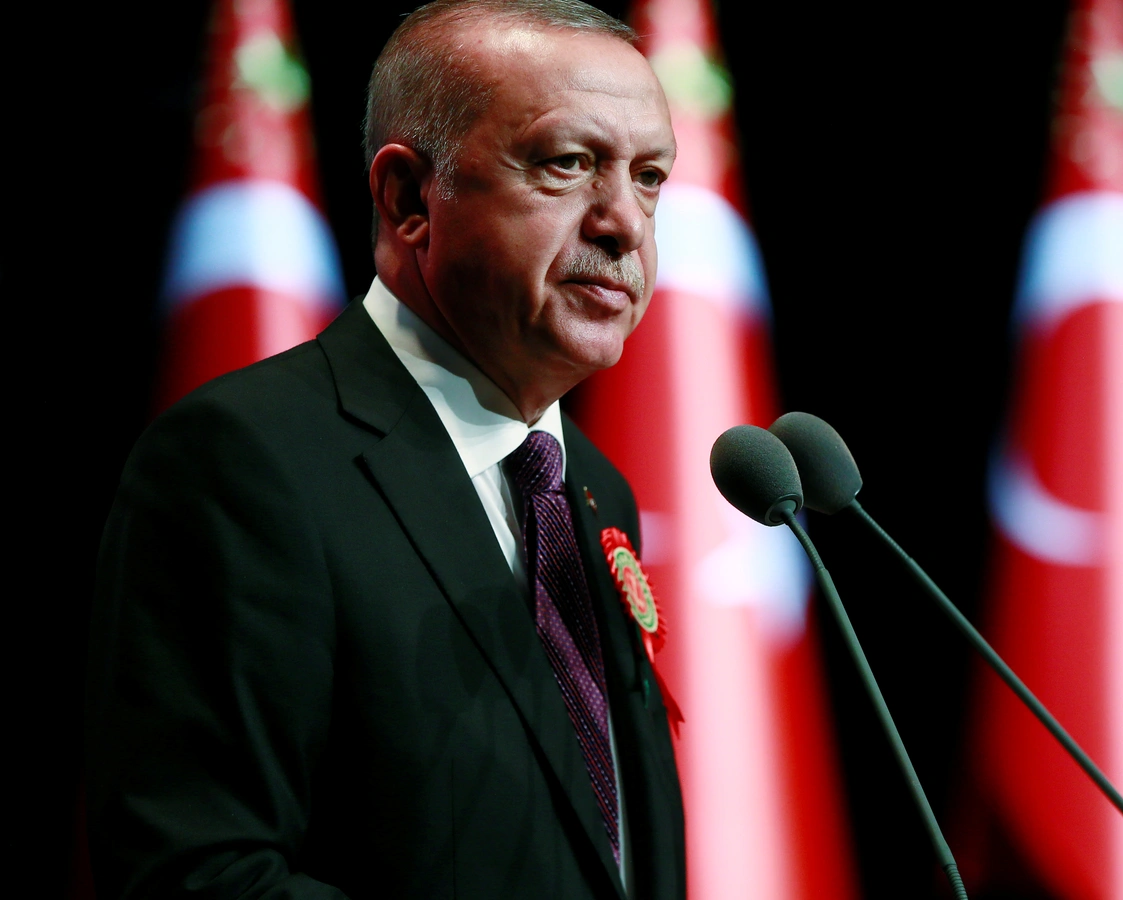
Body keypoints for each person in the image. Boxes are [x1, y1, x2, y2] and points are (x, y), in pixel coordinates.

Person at [84, 1, 684, 897]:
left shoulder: (591, 489)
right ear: (409, 200)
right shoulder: (246, 463)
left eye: (647, 178)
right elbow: (200, 873)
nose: (625, 225)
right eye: (568, 164)